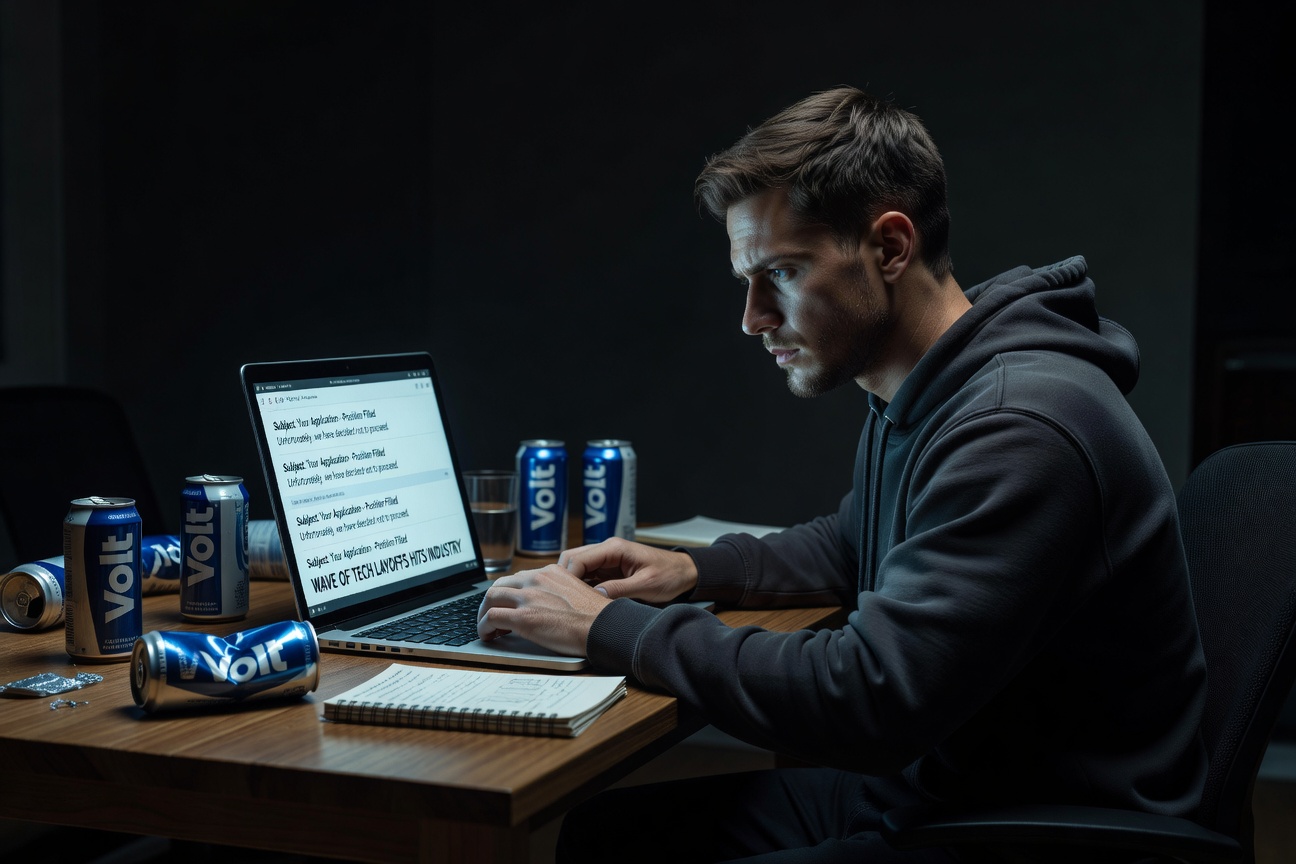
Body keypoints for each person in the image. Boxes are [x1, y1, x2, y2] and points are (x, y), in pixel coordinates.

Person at [476, 86, 1207, 863]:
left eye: (782, 274)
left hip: (1024, 823)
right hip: (944, 786)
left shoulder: (1016, 427)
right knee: (608, 836)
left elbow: (868, 698)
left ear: (890, 247)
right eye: (747, 282)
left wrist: (604, 627)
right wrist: (692, 569)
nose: (753, 318)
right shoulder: (935, 382)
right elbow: (855, 544)